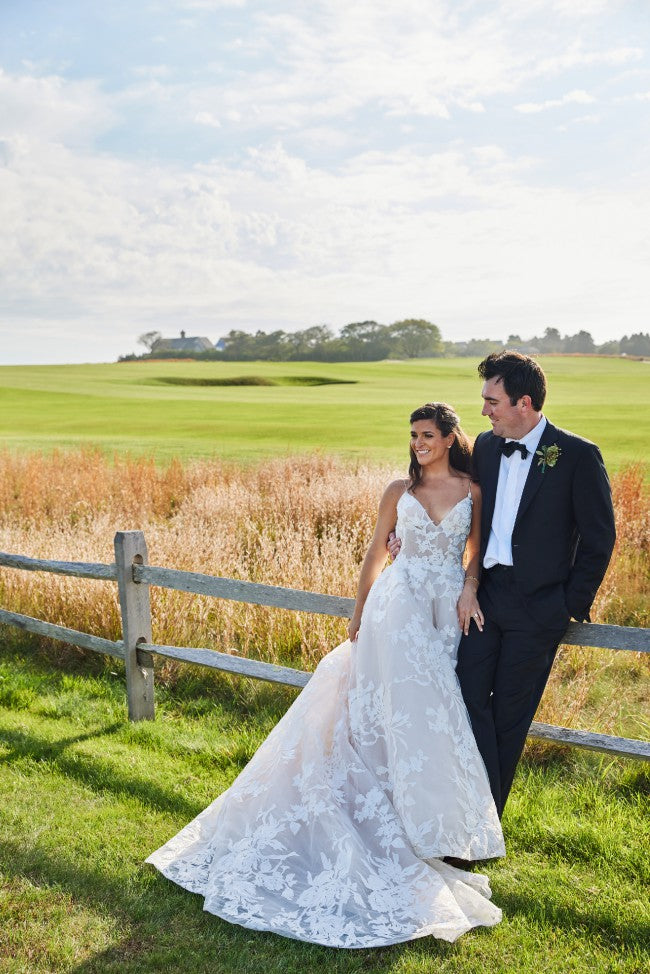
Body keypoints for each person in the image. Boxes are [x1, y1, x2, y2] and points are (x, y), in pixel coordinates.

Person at [145, 402, 505, 949]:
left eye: (427, 435)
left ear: (451, 437)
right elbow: (374, 553)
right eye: (412, 436)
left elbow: (475, 553)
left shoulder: (473, 491)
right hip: (396, 607)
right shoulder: (396, 491)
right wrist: (358, 611)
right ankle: (377, 818)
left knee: (425, 719)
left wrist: (470, 586)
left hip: (442, 611)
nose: (418, 444)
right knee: (383, 708)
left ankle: (425, 825)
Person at [392, 353, 616, 824]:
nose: (485, 411)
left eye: (492, 401)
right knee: (465, 697)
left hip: (540, 609)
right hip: (483, 598)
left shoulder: (576, 455)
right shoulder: (488, 449)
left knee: (512, 717)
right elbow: (444, 485)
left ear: (524, 402)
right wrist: (405, 533)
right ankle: (463, 814)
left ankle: (483, 825)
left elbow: (599, 538)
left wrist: (568, 606)